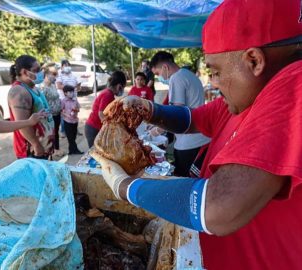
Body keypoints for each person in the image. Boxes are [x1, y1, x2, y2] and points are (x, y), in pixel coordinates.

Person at [91, 0, 302, 269]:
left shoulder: (295, 84)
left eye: (215, 71)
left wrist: (126, 187)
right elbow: (193, 119)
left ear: (254, 60)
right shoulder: (248, 96)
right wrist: (149, 109)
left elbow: (218, 207)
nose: (212, 82)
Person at [150, 51, 210, 176]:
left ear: (165, 67)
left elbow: (175, 115)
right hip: (202, 137)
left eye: (158, 73)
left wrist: (157, 129)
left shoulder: (176, 78)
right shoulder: (190, 75)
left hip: (189, 143)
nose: (159, 77)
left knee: (185, 181)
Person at [8, 55, 55, 159]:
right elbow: (22, 124)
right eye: (36, 70)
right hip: (32, 151)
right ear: (25, 72)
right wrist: (36, 144)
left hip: (44, 147)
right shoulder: (19, 92)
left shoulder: (34, 88)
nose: (40, 73)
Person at [85, 71, 126, 148]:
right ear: (119, 86)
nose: (122, 91)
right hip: (93, 129)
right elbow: (101, 114)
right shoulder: (108, 95)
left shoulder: (109, 94)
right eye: (122, 88)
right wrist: (111, 128)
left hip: (94, 128)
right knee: (96, 154)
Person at [40, 64, 64, 157]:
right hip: (49, 116)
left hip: (57, 113)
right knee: (50, 134)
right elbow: (42, 104)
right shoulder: (42, 87)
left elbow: (56, 98)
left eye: (56, 74)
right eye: (53, 74)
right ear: (46, 74)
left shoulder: (53, 85)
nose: (55, 76)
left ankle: (56, 149)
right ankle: (50, 151)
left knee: (56, 132)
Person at [61, 85, 83, 155]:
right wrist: (66, 115)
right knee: (70, 137)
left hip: (75, 121)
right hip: (67, 121)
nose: (72, 93)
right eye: (69, 92)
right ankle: (76, 150)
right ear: (65, 93)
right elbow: (61, 110)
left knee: (73, 136)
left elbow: (78, 108)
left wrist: (76, 110)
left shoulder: (75, 100)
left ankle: (71, 150)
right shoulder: (63, 101)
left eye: (72, 92)